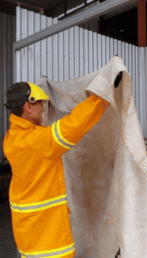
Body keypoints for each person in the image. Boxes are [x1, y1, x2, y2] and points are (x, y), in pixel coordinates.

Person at [3, 77, 121, 258]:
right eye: (40, 104)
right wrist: (101, 98)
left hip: (29, 234)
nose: (43, 109)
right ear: (28, 106)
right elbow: (73, 125)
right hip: (48, 241)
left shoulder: (12, 138)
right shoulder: (36, 142)